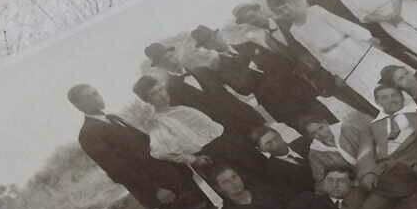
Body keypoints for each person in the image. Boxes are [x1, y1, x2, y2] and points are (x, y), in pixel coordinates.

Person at [66, 83, 229, 209]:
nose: (97, 97)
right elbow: (119, 171)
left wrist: (180, 165)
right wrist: (155, 191)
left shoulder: (113, 118)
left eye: (96, 92)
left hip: (177, 178)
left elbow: (150, 146)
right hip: (164, 192)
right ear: (78, 105)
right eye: (90, 96)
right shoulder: (89, 134)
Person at [131, 74, 270, 191]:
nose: (161, 95)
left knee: (263, 176)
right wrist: (193, 159)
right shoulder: (158, 122)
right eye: (154, 94)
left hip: (228, 146)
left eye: (161, 89)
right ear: (147, 100)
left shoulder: (179, 109)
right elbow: (160, 152)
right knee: (246, 188)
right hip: (212, 158)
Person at [190, 24, 332, 134]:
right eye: (208, 43)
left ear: (218, 34)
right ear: (206, 48)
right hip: (279, 104)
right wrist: (250, 64)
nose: (214, 42)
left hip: (299, 92)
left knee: (330, 122)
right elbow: (243, 88)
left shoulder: (247, 45)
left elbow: (280, 62)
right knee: (311, 135)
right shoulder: (219, 68)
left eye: (213, 37)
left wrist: (261, 72)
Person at [275, 0, 406, 112]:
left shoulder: (315, 11)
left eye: (285, 7)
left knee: (386, 75)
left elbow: (342, 24)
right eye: (280, 12)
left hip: (353, 47)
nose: (285, 12)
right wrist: (335, 73)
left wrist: (366, 37)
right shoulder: (294, 30)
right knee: (371, 88)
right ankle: (399, 114)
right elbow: (315, 53)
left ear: (292, 3)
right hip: (338, 63)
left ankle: (412, 99)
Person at [280, 0, 417, 66]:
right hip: (355, 34)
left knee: (403, 47)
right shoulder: (311, 0)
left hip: (374, 21)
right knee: (387, 59)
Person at [142, 42, 264, 132]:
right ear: (160, 66)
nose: (171, 61)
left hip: (247, 118)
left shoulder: (203, 70)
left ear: (175, 53)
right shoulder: (171, 92)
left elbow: (240, 86)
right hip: (225, 134)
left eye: (170, 56)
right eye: (164, 60)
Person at [301, 112, 366, 191]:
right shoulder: (315, 154)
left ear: (326, 123)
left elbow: (371, 146)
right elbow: (322, 181)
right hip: (354, 185)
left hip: (374, 168)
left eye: (321, 128)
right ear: (309, 136)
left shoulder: (346, 129)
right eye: (314, 133)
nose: (321, 134)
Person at [250, 124, 314, 196]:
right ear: (261, 149)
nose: (276, 143)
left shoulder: (304, 143)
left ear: (279, 134)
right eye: (269, 143)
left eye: (276, 138)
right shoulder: (272, 172)